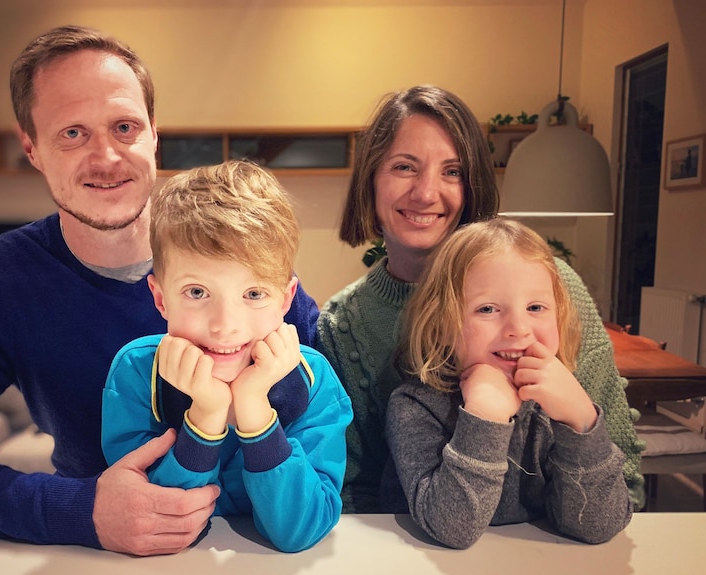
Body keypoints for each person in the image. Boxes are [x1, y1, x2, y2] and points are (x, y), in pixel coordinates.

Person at [0, 26, 321, 556]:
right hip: (92, 559)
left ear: (155, 134)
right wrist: (80, 509)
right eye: (72, 134)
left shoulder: (241, 259)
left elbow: (325, 442)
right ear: (32, 148)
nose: (106, 157)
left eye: (125, 127)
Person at [314, 85, 644, 514]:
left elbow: (623, 482)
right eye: (404, 167)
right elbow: (351, 493)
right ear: (370, 180)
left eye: (452, 171)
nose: (427, 193)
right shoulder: (343, 324)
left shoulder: (553, 285)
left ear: (473, 186)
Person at [101, 160, 352, 552]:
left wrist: (254, 410)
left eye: (253, 294)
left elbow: (301, 530)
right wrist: (206, 415)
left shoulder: (312, 378)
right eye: (197, 292)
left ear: (286, 300)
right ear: (161, 298)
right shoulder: (136, 374)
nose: (225, 326)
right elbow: (157, 521)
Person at [383, 218, 633, 549]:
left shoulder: (560, 401)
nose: (518, 328)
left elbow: (599, 526)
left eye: (535, 307)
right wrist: (485, 416)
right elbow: (452, 530)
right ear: (442, 324)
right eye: (487, 308)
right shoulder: (415, 407)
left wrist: (581, 421)